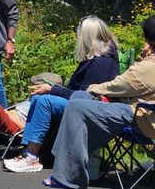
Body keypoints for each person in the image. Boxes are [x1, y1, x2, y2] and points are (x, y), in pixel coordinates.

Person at [44, 16, 155, 189]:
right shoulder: (149, 64)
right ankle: (65, 162)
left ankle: (68, 179)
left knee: (77, 106)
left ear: (148, 39)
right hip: (143, 112)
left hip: (143, 119)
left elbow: (118, 85)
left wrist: (92, 89)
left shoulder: (148, 66)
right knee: (79, 98)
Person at [1, 16, 120, 172]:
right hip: (81, 105)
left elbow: (85, 96)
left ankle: (32, 157)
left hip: (91, 110)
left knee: (45, 101)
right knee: (39, 98)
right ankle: (34, 151)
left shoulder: (103, 63)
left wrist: (53, 90)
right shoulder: (95, 59)